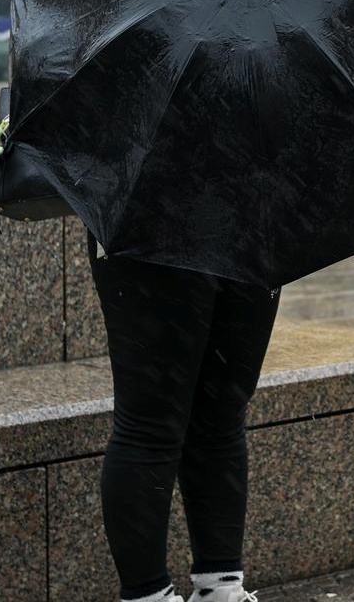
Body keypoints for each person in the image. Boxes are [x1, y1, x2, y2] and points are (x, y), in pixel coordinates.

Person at [88, 234, 279, 602]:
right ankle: (149, 596)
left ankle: (220, 589)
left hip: (253, 213)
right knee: (150, 424)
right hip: (150, 213)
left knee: (222, 413)